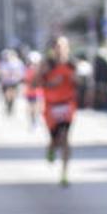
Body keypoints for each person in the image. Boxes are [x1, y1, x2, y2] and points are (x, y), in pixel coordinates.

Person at [38, 37, 79, 187]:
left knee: (65, 137)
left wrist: (77, 80)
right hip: (51, 106)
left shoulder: (72, 64)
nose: (60, 49)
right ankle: (51, 148)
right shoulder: (47, 64)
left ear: (67, 48)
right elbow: (35, 83)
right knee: (56, 140)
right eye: (57, 46)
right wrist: (50, 83)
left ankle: (64, 173)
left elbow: (80, 83)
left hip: (67, 104)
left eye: (63, 46)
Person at [0, 49, 24, 117]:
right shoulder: (3, 63)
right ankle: (8, 105)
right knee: (7, 95)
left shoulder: (18, 62)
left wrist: (17, 76)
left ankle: (11, 105)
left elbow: (21, 72)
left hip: (14, 81)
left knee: (13, 95)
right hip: (6, 82)